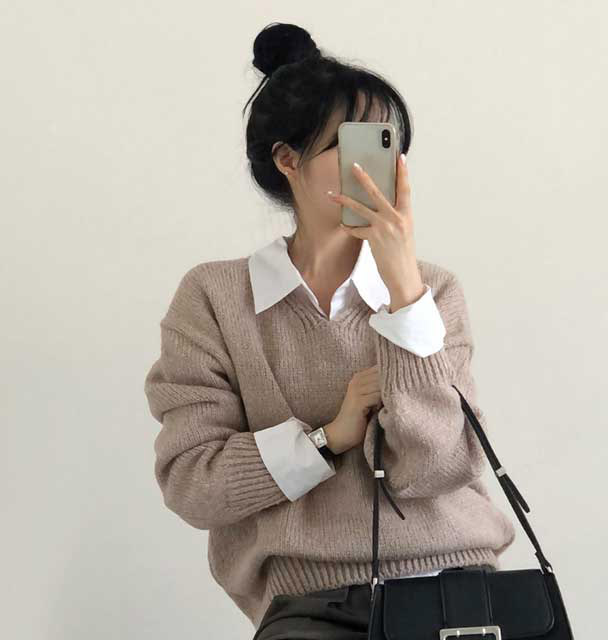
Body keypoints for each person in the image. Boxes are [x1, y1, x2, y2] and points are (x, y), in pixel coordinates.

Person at [144, 22, 516, 638]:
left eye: (384, 142)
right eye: (349, 144)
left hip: (459, 593)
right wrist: (327, 439)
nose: (373, 165)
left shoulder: (432, 291)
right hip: (311, 607)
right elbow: (194, 483)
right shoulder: (215, 298)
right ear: (287, 160)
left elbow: (438, 467)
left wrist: (403, 287)